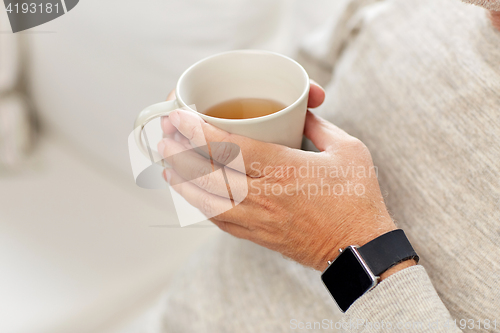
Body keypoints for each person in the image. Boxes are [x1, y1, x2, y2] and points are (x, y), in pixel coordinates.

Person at [156, 0, 500, 331]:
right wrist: (200, 141)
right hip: (178, 312)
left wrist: (347, 245)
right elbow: (293, 112)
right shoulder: (397, 6)